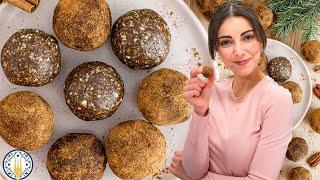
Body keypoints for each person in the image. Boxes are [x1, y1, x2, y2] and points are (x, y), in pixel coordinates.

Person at [168, 1, 293, 180]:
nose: (239, 51)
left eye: (247, 37)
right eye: (226, 42)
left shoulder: (278, 100)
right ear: (217, 51)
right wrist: (200, 111)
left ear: (260, 39)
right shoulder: (213, 91)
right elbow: (194, 170)